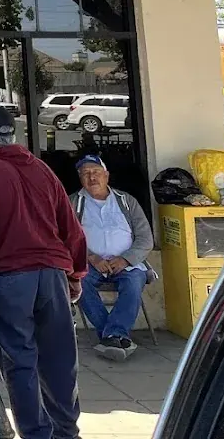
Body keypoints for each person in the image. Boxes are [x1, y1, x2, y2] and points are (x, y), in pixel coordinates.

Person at [0, 106, 89, 439]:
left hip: (11, 277)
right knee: (60, 360)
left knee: (20, 361)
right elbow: (73, 229)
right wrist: (75, 273)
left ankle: (37, 434)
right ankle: (67, 432)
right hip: (52, 273)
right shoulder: (41, 168)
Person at [71, 154, 154, 361]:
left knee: (134, 282)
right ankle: (115, 335)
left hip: (127, 263)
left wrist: (125, 259)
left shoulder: (127, 202)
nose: (92, 178)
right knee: (78, 282)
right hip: (90, 263)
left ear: (106, 175)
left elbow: (145, 238)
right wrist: (91, 257)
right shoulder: (72, 203)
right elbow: (64, 239)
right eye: (86, 174)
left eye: (96, 172)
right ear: (80, 178)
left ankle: (111, 336)